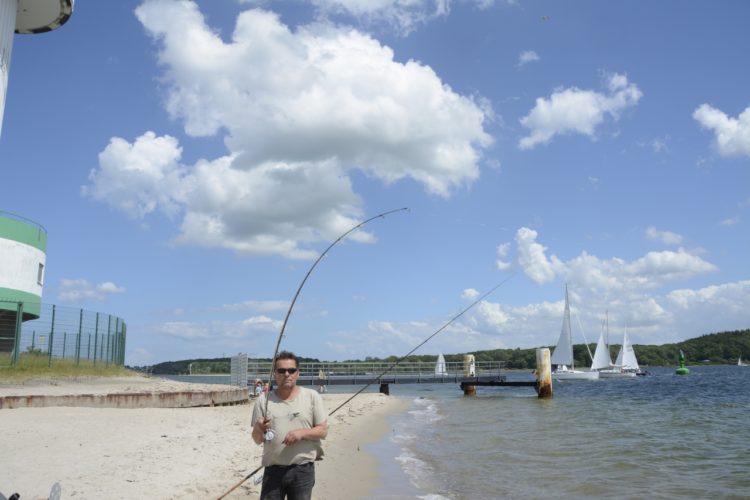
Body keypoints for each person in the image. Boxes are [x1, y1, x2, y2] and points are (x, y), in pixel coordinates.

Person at [252, 351, 328, 499]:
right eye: (281, 370)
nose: (287, 374)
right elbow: (257, 439)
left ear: (297, 373)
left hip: (302, 470)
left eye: (291, 370)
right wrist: (258, 428)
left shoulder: (312, 397)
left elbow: (323, 431)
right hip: (272, 470)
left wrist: (301, 433)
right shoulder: (263, 400)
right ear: (275, 374)